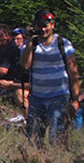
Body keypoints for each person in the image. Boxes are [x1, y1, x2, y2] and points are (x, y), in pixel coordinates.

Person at [20, 10, 80, 146]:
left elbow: (73, 73)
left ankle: (57, 160)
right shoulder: (31, 45)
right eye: (40, 26)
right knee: (34, 137)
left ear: (52, 25)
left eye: (46, 25)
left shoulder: (63, 44)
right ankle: (35, 161)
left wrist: (75, 99)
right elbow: (25, 65)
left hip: (58, 96)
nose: (43, 29)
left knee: (57, 135)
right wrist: (30, 41)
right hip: (37, 97)